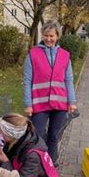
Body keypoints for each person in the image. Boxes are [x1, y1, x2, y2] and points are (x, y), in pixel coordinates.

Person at [23, 20, 77, 164]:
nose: (48, 39)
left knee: (53, 136)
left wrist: (72, 101)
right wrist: (28, 104)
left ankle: (51, 163)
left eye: (51, 36)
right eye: (46, 35)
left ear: (57, 36)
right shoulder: (33, 54)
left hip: (60, 103)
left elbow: (68, 80)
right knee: (37, 135)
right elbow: (27, 80)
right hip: (39, 103)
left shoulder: (65, 55)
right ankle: (36, 163)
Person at [0, 113, 60, 177]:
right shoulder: (19, 141)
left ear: (10, 133)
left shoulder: (33, 155)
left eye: (1, 131)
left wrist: (5, 162)